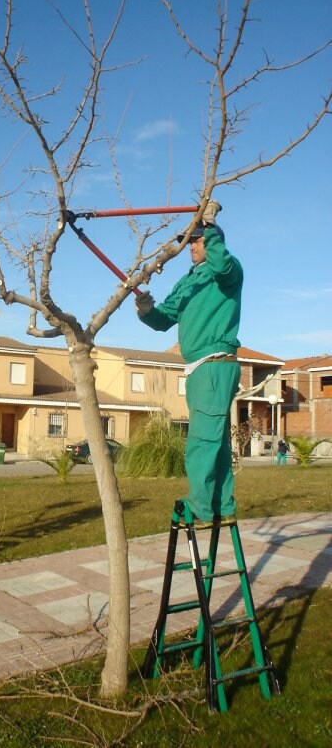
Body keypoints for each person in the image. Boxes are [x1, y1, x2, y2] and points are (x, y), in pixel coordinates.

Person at [135, 200, 243, 526]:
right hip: (199, 368)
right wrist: (145, 309)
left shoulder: (226, 270)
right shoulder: (188, 281)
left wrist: (209, 226)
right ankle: (222, 506)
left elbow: (222, 262)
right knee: (217, 443)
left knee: (200, 441)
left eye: (195, 240)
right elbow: (163, 319)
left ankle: (199, 505)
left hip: (214, 364)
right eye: (190, 241)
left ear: (211, 240)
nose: (190, 246)